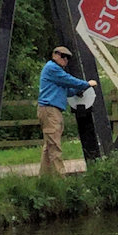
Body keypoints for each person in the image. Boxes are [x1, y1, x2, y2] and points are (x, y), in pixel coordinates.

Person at [37, 46, 97, 174]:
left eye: (68, 58)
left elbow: (68, 91)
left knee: (49, 146)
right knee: (55, 146)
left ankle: (44, 179)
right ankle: (61, 178)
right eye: (63, 56)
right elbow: (69, 81)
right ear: (55, 55)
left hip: (52, 110)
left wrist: (80, 90)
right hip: (50, 110)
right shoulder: (52, 68)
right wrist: (87, 84)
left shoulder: (56, 73)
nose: (65, 60)